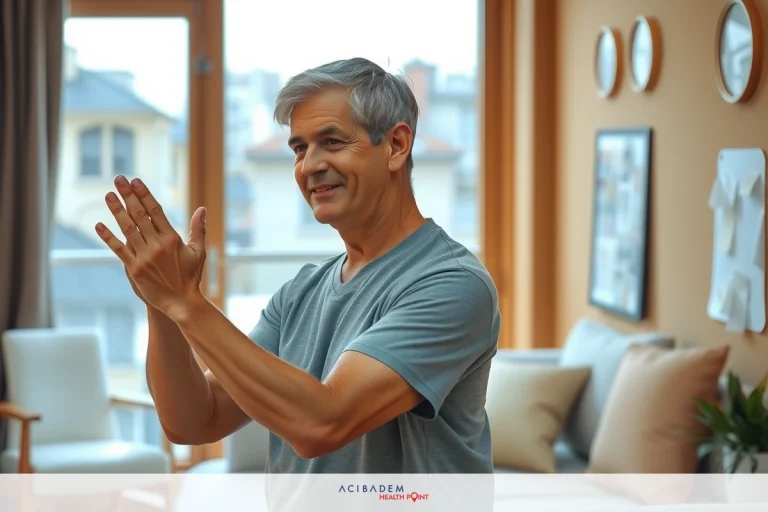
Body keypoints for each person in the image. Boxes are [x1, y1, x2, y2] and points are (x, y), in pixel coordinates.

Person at [95, 57, 501, 474]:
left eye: (333, 142)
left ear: (396, 145)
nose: (309, 166)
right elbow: (195, 421)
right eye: (299, 149)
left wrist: (185, 301)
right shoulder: (301, 292)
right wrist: (161, 300)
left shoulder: (452, 284)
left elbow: (323, 424)